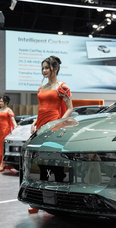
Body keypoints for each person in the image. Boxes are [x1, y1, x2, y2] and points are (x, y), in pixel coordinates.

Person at [28, 56, 73, 213]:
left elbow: (70, 108)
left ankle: (54, 200)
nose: (44, 71)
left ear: (56, 69)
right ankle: (36, 202)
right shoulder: (42, 87)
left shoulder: (62, 86)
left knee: (52, 164)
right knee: (37, 164)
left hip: (53, 125)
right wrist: (34, 122)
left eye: (47, 68)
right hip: (40, 125)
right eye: (43, 68)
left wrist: (59, 123)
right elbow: (42, 108)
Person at [0, 95, 18, 171]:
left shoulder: (9, 110)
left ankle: (3, 162)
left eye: (1, 101)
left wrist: (16, 127)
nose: (0, 103)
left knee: (3, 145)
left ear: (6, 102)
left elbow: (13, 120)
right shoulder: (0, 110)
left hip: (5, 130)